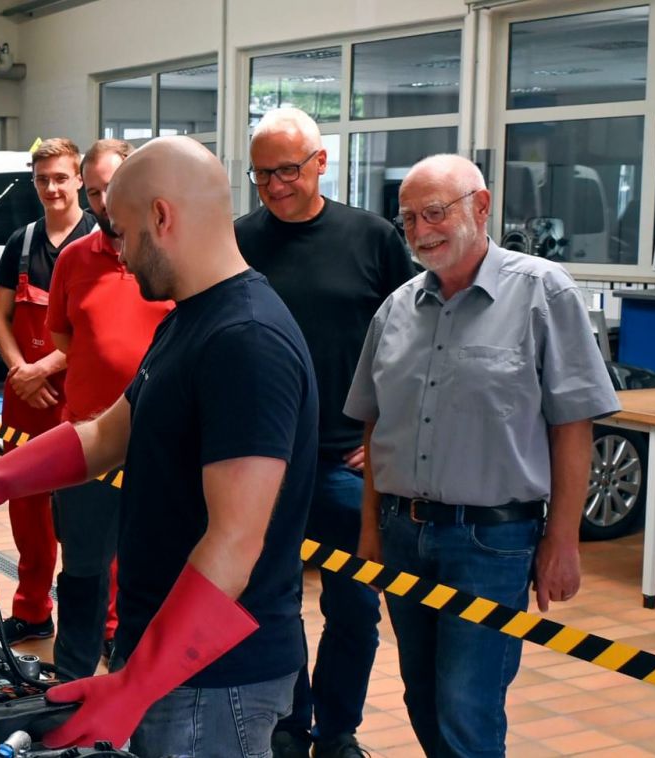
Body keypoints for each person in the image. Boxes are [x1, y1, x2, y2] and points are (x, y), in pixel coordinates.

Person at [0, 136, 316, 755]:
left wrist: (133, 685)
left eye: (125, 234)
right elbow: (106, 434)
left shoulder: (246, 340)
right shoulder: (191, 317)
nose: (122, 257)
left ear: (163, 216)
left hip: (218, 678)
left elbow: (235, 540)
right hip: (169, 651)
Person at [347, 154, 618, 758]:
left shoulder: (545, 293)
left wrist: (563, 542)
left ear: (482, 205)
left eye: (435, 213)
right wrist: (371, 527)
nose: (421, 232)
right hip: (401, 532)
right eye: (409, 219)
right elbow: (375, 426)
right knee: (421, 697)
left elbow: (573, 429)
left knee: (466, 709)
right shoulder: (395, 309)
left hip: (491, 541)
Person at [235, 107, 416, 758]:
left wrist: (390, 432)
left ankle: (337, 731)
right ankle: (287, 724)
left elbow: (418, 341)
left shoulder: (371, 239)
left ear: (320, 162)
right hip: (262, 463)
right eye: (260, 175)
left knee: (355, 609)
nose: (274, 185)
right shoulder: (237, 242)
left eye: (286, 169)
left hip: (345, 459)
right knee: (270, 604)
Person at [42, 138, 173, 680]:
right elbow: (63, 337)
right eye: (93, 191)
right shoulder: (74, 259)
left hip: (160, 444)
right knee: (84, 570)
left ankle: (136, 677)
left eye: (110, 189)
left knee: (150, 566)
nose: (101, 202)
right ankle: (72, 679)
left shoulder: (171, 255)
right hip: (89, 443)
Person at [0, 138, 95, 649]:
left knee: (92, 509)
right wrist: (18, 370)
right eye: (42, 179)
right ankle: (32, 612)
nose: (52, 188)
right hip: (24, 396)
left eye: (60, 177)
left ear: (79, 180)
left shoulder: (101, 239)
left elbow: (103, 326)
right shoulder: (21, 242)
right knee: (26, 507)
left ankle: (107, 625)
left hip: (84, 395)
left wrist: (46, 366)